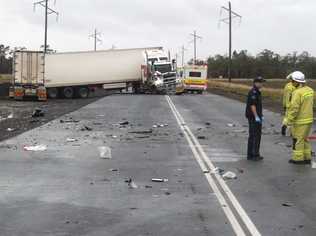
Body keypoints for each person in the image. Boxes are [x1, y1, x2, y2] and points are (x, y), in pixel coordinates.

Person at [283, 71, 314, 165]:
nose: (291, 83)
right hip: (309, 119)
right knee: (305, 139)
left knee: (298, 140)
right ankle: (307, 157)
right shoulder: (310, 90)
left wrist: (288, 120)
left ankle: (298, 159)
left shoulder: (297, 93)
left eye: (293, 81)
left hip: (300, 121)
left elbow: (294, 109)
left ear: (297, 81)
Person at [245, 77, 266, 161]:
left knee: (254, 135)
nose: (262, 84)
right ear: (256, 83)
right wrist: (256, 116)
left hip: (256, 116)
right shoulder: (253, 92)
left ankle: (251, 154)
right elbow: (253, 105)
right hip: (253, 117)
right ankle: (254, 155)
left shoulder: (257, 92)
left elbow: (258, 106)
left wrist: (261, 115)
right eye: (260, 82)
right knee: (255, 136)